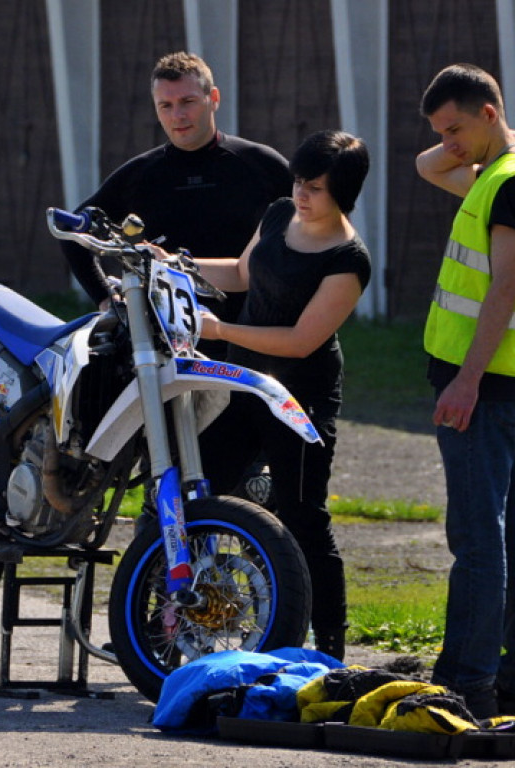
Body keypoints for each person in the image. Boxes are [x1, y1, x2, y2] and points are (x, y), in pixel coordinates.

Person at [181, 129, 372, 662]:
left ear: (345, 193)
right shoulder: (278, 214)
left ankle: (330, 649)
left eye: (315, 187)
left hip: (300, 398)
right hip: (242, 385)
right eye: (298, 182)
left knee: (303, 514)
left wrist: (218, 333)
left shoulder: (348, 259)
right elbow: (242, 273)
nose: (301, 195)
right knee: (193, 492)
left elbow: (300, 341)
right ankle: (168, 617)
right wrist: (177, 263)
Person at [414, 63, 515, 719]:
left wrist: (467, 380)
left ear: (487, 113)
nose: (447, 143)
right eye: (439, 130)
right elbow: (428, 167)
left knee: (479, 540)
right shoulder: (495, 173)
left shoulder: (507, 185)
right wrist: (486, 136)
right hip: (508, 386)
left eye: (454, 128)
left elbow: (504, 287)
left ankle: (468, 679)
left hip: (486, 388)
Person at [61, 50, 292, 361]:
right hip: (168, 347)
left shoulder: (261, 165)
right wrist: (105, 298)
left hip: (253, 337)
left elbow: (317, 225)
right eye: (165, 106)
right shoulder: (141, 174)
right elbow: (71, 230)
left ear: (214, 98)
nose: (177, 116)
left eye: (187, 102)